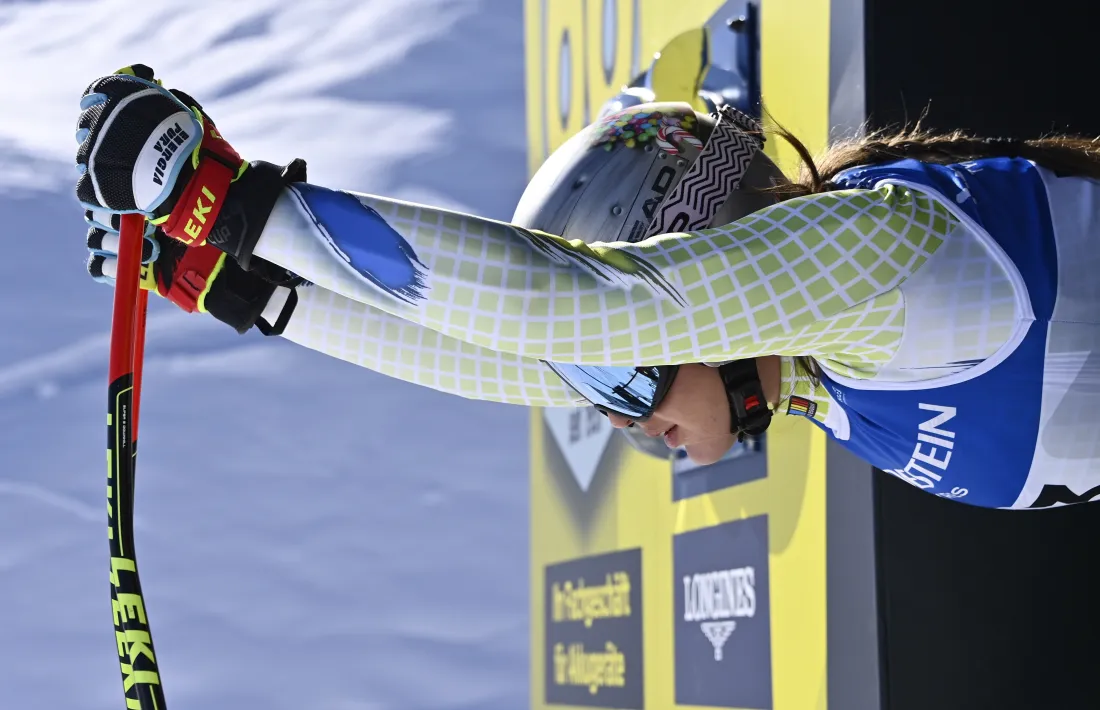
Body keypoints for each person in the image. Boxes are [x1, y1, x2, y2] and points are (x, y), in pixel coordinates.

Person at [76, 65, 1100, 511]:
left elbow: (583, 311)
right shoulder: (829, 370)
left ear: (688, 244)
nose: (624, 422)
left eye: (618, 385)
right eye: (607, 390)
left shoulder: (886, 257)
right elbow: (522, 354)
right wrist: (259, 291)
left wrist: (239, 209)